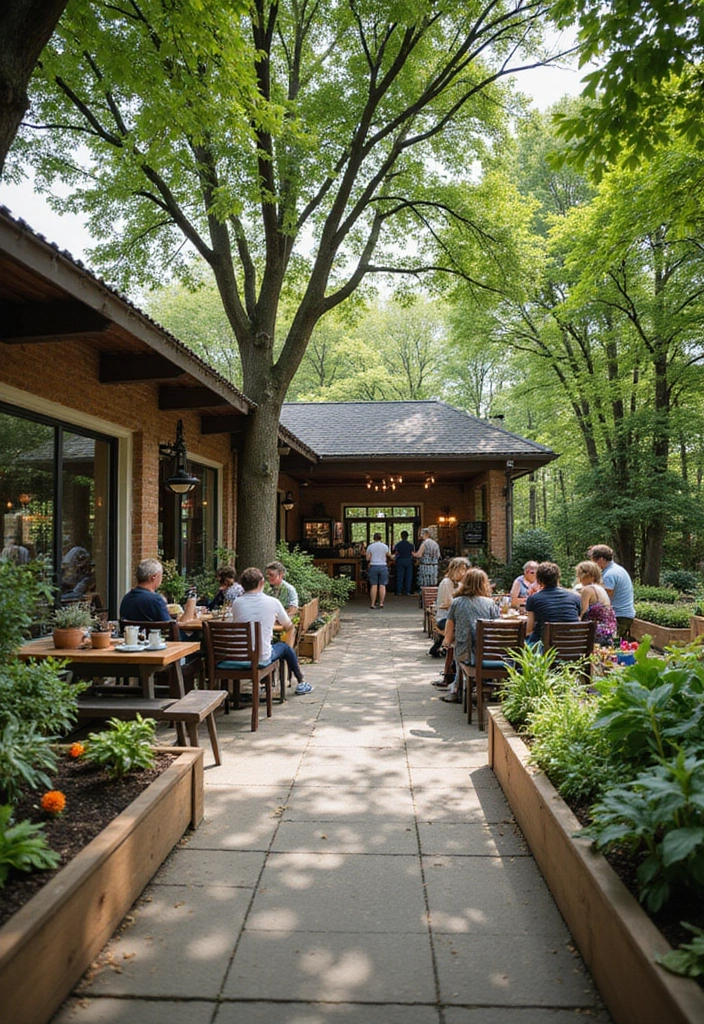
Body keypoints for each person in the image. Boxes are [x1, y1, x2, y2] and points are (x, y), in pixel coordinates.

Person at [229, 566, 312, 694]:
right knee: (284, 647)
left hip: (239, 656)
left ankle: (260, 684)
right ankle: (301, 681)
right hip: (262, 657)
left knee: (267, 644)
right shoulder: (273, 602)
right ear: (261, 583)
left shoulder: (236, 603)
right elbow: (289, 626)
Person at [440, 567, 499, 702]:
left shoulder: (457, 603)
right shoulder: (490, 604)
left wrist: (446, 643)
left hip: (464, 651)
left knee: (460, 650)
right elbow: (496, 628)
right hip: (487, 651)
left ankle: (456, 689)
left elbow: (449, 631)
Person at [525, 561, 581, 646]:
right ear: (558, 579)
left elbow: (529, 630)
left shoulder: (533, 599)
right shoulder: (574, 597)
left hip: (547, 648)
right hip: (573, 645)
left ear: (539, 580)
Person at [590, 544, 636, 639]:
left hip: (619, 616)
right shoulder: (617, 569)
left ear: (601, 559)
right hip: (624, 615)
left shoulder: (609, 575)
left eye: (594, 560)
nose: (593, 564)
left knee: (611, 645)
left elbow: (605, 599)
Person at [428, 556, 469, 657]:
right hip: (445, 618)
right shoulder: (447, 583)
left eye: (465, 570)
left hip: (454, 617)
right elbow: (449, 603)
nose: (463, 573)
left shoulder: (458, 583)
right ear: (455, 569)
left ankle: (442, 647)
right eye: (461, 570)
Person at [575, 560, 617, 645]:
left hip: (596, 632)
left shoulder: (587, 589)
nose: (578, 577)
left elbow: (583, 612)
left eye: (580, 573)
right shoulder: (600, 588)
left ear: (591, 575)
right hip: (610, 630)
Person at [366, 531, 390, 609]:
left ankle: (372, 604)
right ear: (381, 538)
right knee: (382, 585)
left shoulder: (370, 546)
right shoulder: (385, 546)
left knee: (374, 585)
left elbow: (367, 558)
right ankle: (381, 603)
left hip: (373, 566)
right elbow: (389, 555)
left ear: (374, 538)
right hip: (383, 566)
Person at [392, 530, 415, 596]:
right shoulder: (411, 545)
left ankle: (399, 591)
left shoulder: (398, 545)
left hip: (400, 560)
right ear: (407, 537)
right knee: (408, 576)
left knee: (400, 576)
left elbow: (396, 553)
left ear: (401, 536)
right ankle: (408, 591)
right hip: (408, 560)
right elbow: (412, 553)